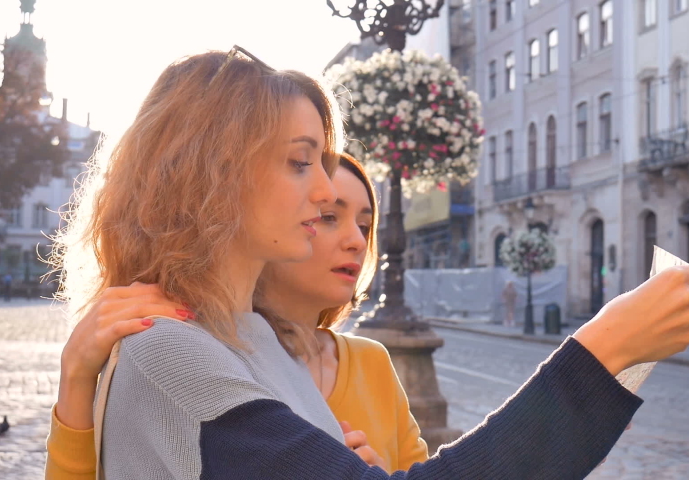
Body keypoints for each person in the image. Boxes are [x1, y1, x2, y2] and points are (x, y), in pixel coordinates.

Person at [51, 46, 689, 479]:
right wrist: (606, 351)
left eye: (322, 161)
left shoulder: (249, 337)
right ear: (209, 174)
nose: (324, 192)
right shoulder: (171, 350)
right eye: (298, 163)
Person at [46, 155, 427, 478]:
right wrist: (76, 378)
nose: (357, 241)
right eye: (328, 217)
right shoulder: (190, 351)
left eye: (364, 226)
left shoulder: (372, 361)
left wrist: (378, 473)